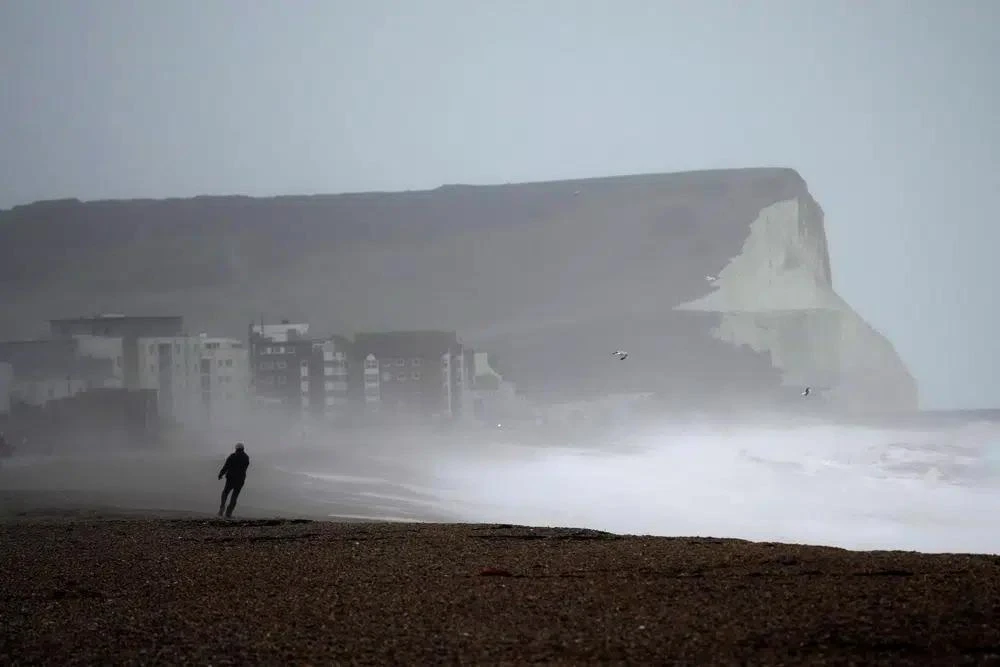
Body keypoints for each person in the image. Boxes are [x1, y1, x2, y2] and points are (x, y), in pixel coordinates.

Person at [217, 443, 250, 518]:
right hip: (240, 480)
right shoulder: (246, 457)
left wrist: (221, 474)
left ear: (236, 448)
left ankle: (222, 508)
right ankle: (229, 513)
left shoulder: (232, 456)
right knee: (234, 496)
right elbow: (245, 467)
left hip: (231, 479)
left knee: (225, 492)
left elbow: (226, 466)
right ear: (243, 449)